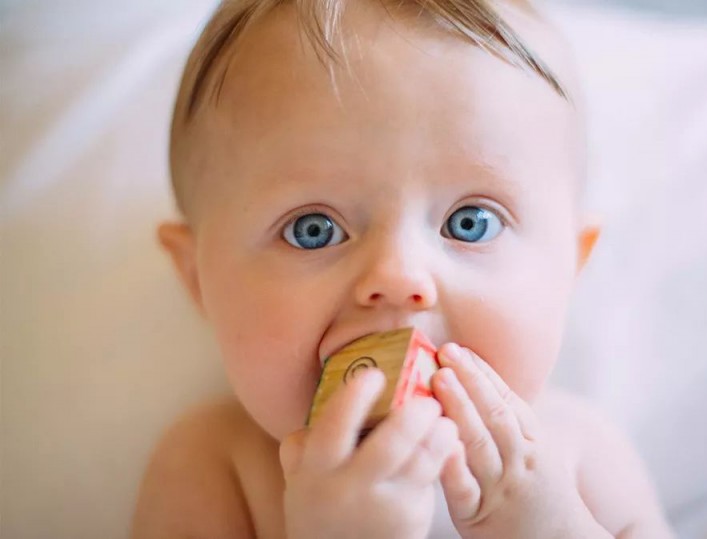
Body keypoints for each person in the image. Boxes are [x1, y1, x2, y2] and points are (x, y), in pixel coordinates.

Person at [131, 0, 674, 536]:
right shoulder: (216, 467)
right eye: (312, 229)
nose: (398, 276)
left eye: (471, 223)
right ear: (198, 278)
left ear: (570, 268)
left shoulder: (580, 456)